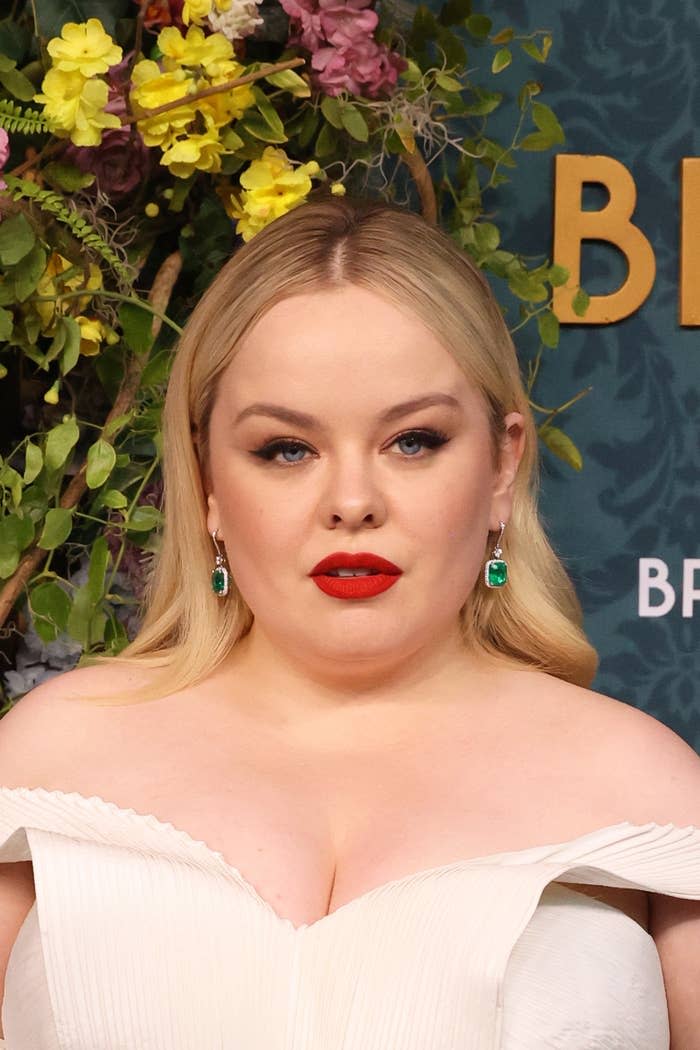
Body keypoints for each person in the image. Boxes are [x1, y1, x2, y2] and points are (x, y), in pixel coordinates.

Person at [0, 195, 698, 1049]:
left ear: (502, 465)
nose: (353, 503)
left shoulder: (648, 791)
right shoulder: (46, 759)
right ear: (209, 481)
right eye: (286, 450)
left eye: (413, 441)